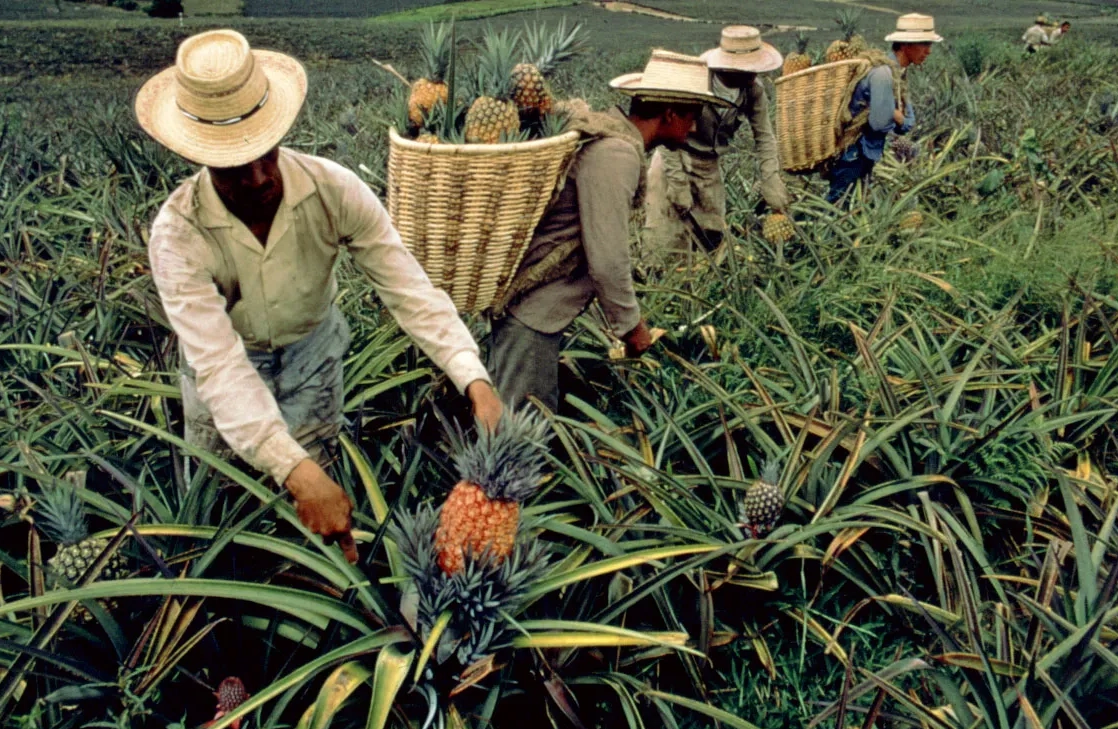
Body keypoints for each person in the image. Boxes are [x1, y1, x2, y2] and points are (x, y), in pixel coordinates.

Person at [134, 30, 503, 564]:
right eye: (235, 167)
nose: (260, 176)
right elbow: (219, 366)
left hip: (313, 358)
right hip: (223, 381)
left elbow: (407, 286)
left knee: (319, 516)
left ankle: (314, 601)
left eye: (265, 153)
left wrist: (473, 375)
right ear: (201, 157)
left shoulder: (333, 189)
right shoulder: (178, 235)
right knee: (220, 509)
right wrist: (294, 471)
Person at [486, 50, 730, 411]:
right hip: (532, 315)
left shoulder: (610, 136)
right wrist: (632, 329)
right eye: (691, 117)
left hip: (532, 310)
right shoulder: (617, 154)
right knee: (518, 439)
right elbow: (607, 260)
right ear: (670, 114)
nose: (693, 128)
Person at [644, 26, 789, 261]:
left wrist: (771, 178)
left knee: (711, 236)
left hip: (709, 164)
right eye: (746, 68)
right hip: (675, 156)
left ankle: (703, 287)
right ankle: (661, 283)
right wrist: (677, 181)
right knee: (665, 237)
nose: (752, 74)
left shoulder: (753, 90)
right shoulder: (695, 81)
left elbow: (764, 136)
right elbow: (664, 130)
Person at [826, 13, 943, 204]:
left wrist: (899, 118)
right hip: (854, 153)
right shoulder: (883, 74)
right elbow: (879, 124)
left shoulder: (897, 73)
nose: (929, 51)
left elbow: (907, 123)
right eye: (924, 44)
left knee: (849, 206)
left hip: (864, 152)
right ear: (905, 45)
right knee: (837, 206)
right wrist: (897, 118)